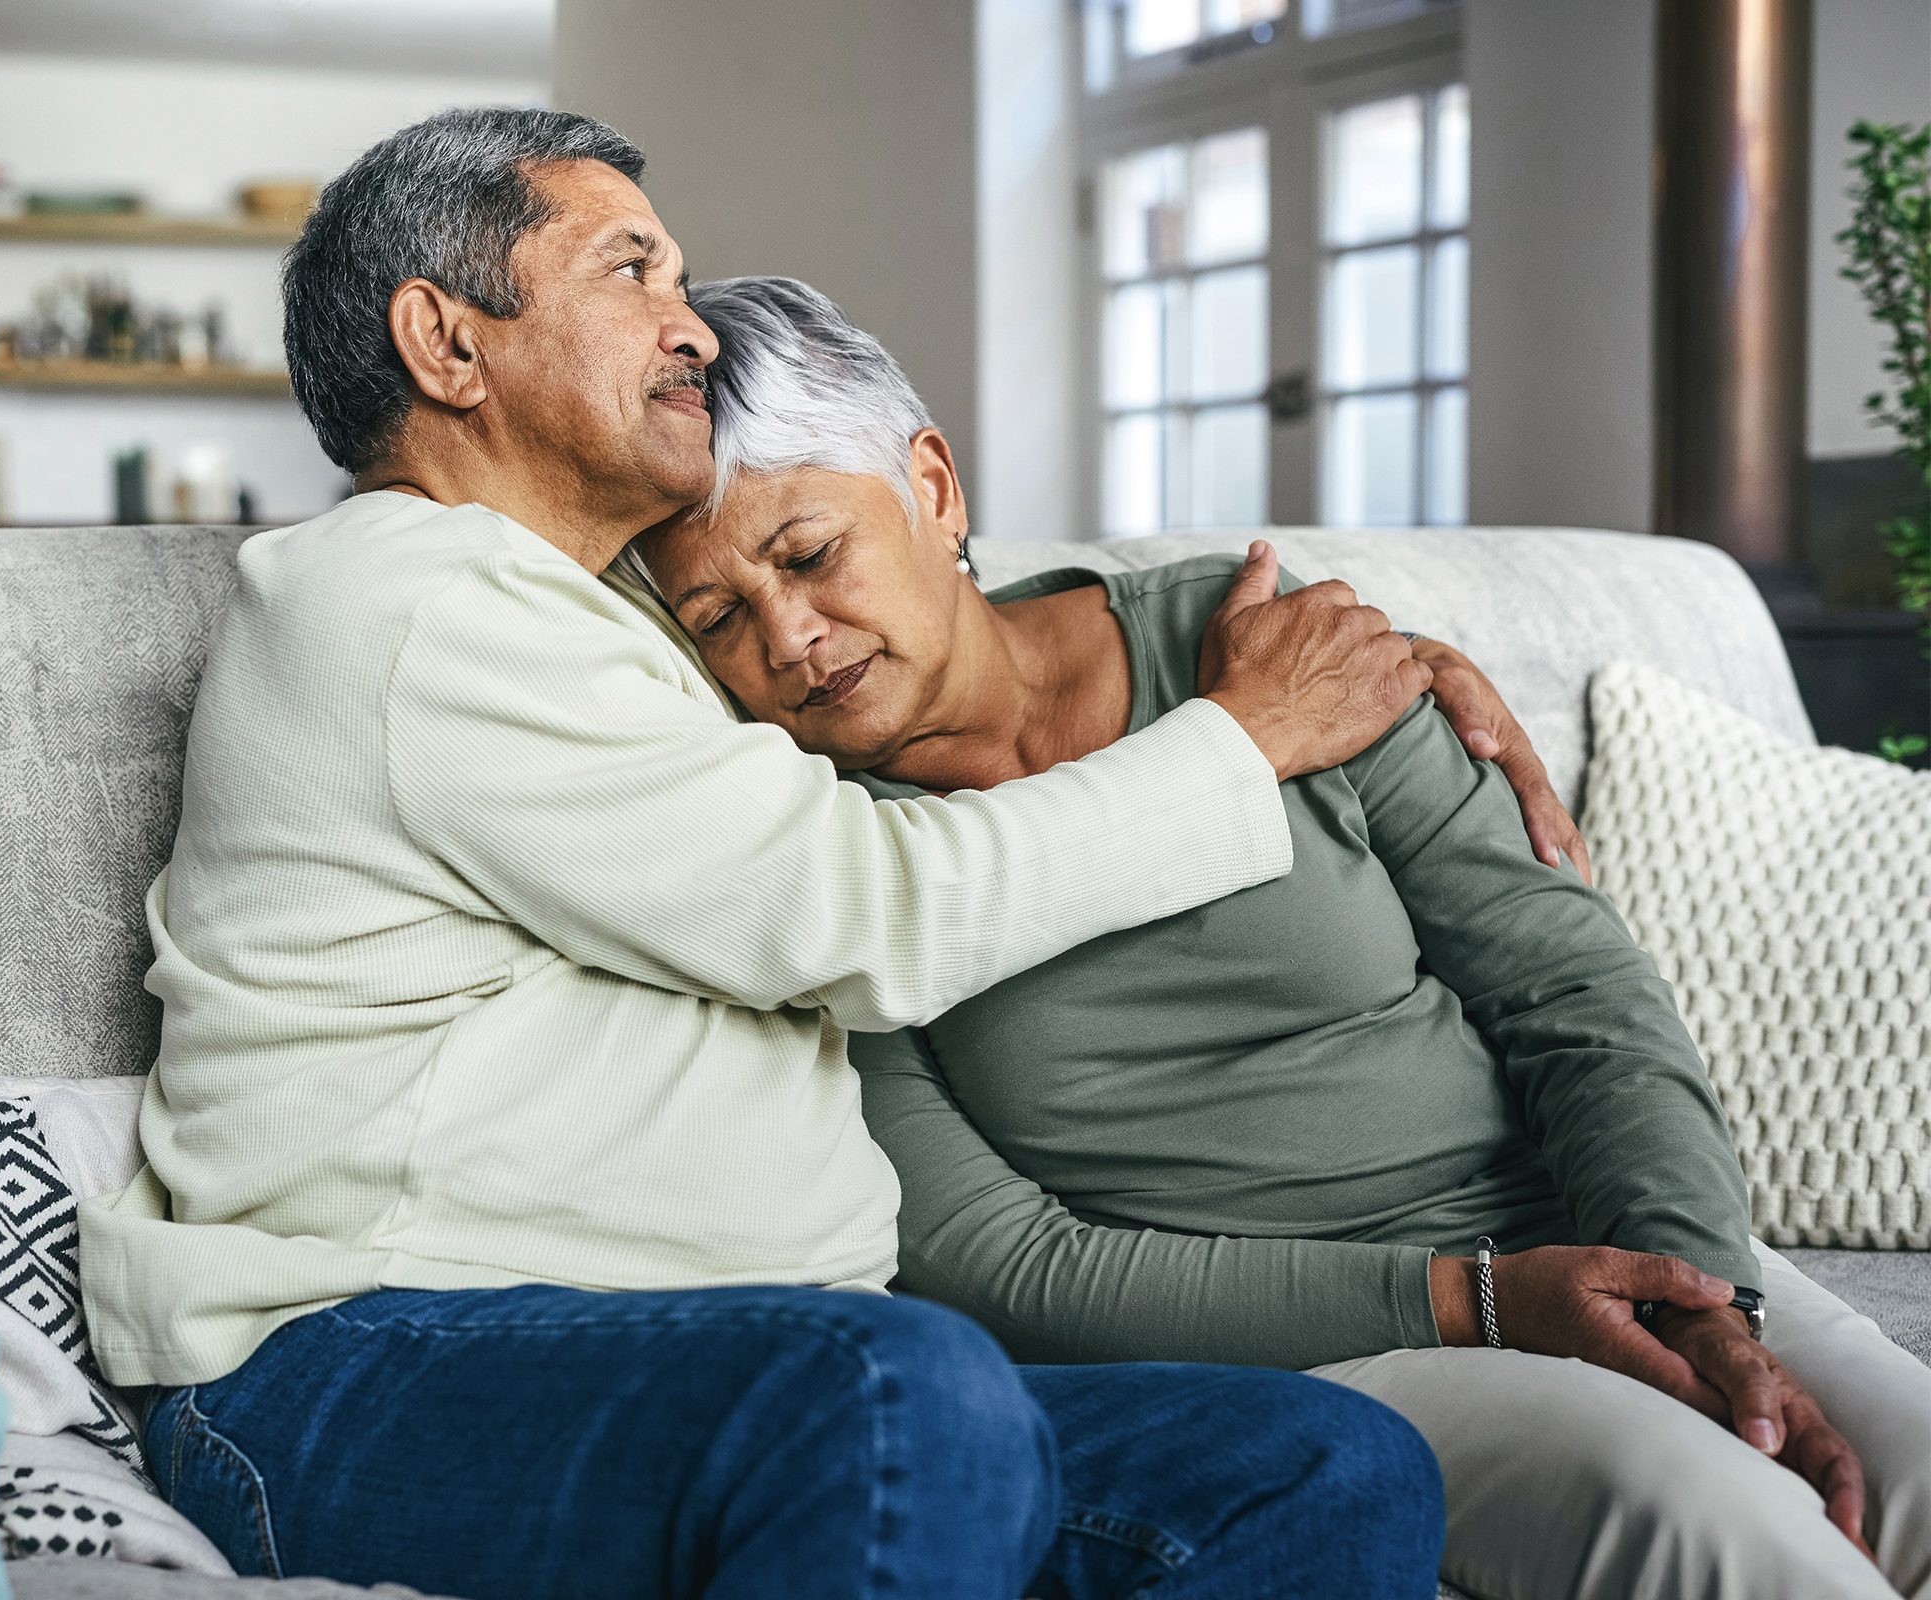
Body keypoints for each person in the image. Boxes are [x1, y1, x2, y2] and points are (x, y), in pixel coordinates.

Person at [76, 107, 1480, 1600]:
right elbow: (871, 910)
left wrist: (1368, 665)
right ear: (445, 340)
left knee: (1323, 1466)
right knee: (898, 1387)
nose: (689, 327)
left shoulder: (609, 621)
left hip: (738, 1377)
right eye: (630, 271)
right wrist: (1252, 732)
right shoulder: (414, 605)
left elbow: (928, 644)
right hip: (376, 1366)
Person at [628, 273, 1931, 1600]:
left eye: (807, 554)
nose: (789, 638)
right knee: (1731, 1536)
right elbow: (999, 1265)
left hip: (1593, 1223)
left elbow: (1572, 985)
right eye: (718, 618)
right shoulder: (815, 856)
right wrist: (1485, 1300)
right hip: (1333, 1349)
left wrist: (1702, 1298)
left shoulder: (1256, 639)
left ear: (935, 486)